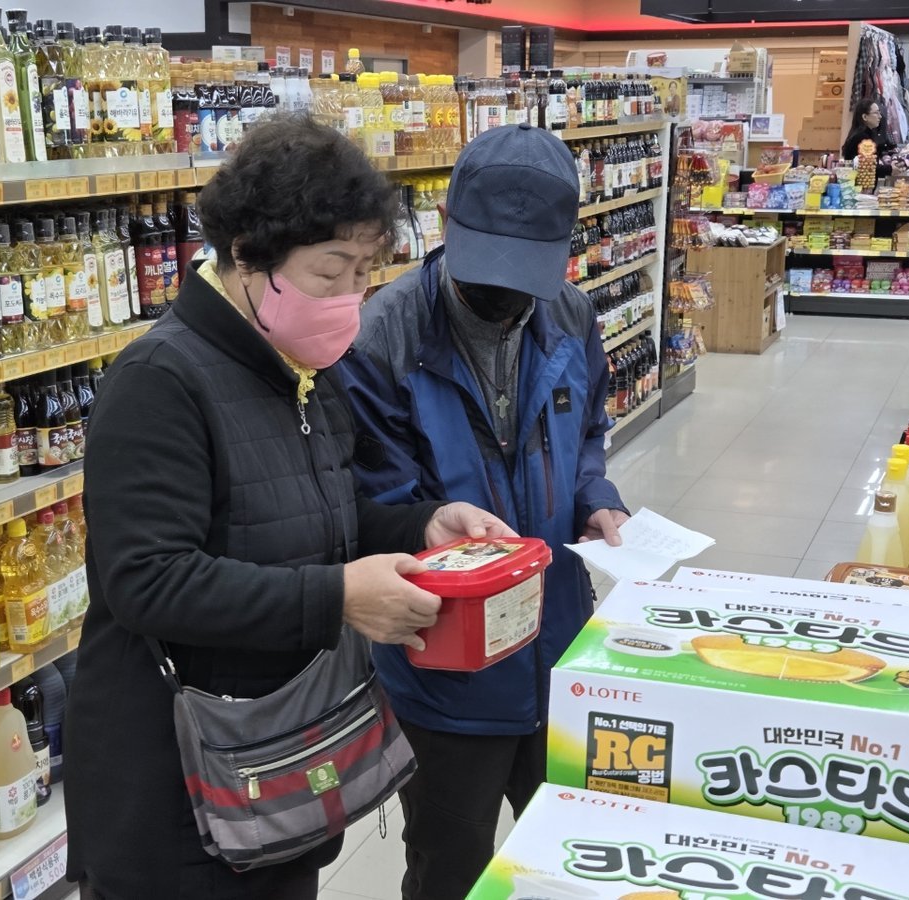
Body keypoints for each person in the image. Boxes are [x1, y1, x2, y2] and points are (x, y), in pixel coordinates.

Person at [63, 116, 513, 900]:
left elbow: (320, 516)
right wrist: (339, 597)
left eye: (363, 272)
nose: (349, 297)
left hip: (275, 766)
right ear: (247, 256)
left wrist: (424, 525)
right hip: (174, 790)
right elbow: (148, 582)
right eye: (329, 271)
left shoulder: (304, 368)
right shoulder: (159, 382)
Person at [338, 123, 629, 900]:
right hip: (446, 675)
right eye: (487, 266)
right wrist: (438, 525)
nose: (504, 295)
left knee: (566, 867)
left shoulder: (571, 316)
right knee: (450, 869)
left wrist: (595, 498)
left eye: (525, 270)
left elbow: (588, 432)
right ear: (446, 225)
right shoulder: (382, 339)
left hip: (558, 648)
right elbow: (376, 505)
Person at [842, 98, 896, 175]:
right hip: (859, 181)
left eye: (879, 113)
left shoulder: (864, 134)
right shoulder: (862, 138)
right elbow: (868, 167)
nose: (880, 116)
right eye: (876, 113)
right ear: (865, 117)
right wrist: (889, 169)